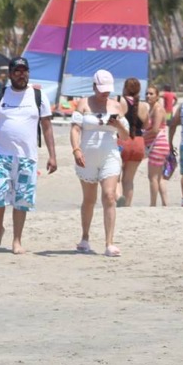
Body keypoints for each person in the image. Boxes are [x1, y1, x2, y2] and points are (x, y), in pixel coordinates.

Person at [0, 56, 57, 254]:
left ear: (28, 73)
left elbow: (47, 127)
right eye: (16, 71)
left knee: (22, 199)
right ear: (10, 74)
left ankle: (17, 240)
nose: (21, 74)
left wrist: (52, 155)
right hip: (2, 156)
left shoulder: (38, 97)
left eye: (24, 71)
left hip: (28, 158)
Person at [70, 70, 130, 257]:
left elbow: (126, 136)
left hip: (110, 154)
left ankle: (109, 243)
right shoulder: (83, 103)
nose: (105, 93)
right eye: (101, 89)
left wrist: (117, 124)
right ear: (94, 86)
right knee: (89, 200)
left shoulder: (117, 105)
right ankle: (85, 237)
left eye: (107, 90)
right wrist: (76, 149)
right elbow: (75, 129)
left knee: (109, 196)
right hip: (87, 155)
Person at [116, 78, 149, 207]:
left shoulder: (120, 101)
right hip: (139, 142)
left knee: (116, 175)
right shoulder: (144, 105)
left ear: (125, 88)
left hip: (122, 140)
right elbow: (146, 126)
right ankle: (127, 206)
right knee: (129, 180)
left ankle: (118, 198)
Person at [144, 85, 170, 206]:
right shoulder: (150, 109)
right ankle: (165, 203)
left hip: (158, 144)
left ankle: (153, 204)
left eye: (151, 94)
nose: (148, 96)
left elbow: (155, 130)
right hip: (156, 144)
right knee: (158, 177)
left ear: (157, 96)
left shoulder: (158, 109)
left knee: (152, 177)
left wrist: (141, 137)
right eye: (147, 94)